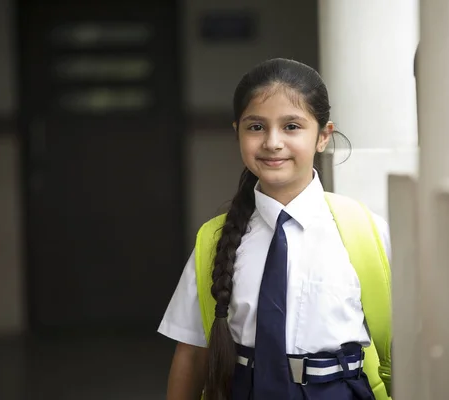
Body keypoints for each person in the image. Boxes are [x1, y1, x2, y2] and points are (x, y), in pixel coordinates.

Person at [158, 58, 392, 400]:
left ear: (323, 136)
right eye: (256, 127)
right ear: (237, 131)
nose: (272, 142)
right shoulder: (214, 240)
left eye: (292, 126)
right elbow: (192, 355)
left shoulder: (364, 231)